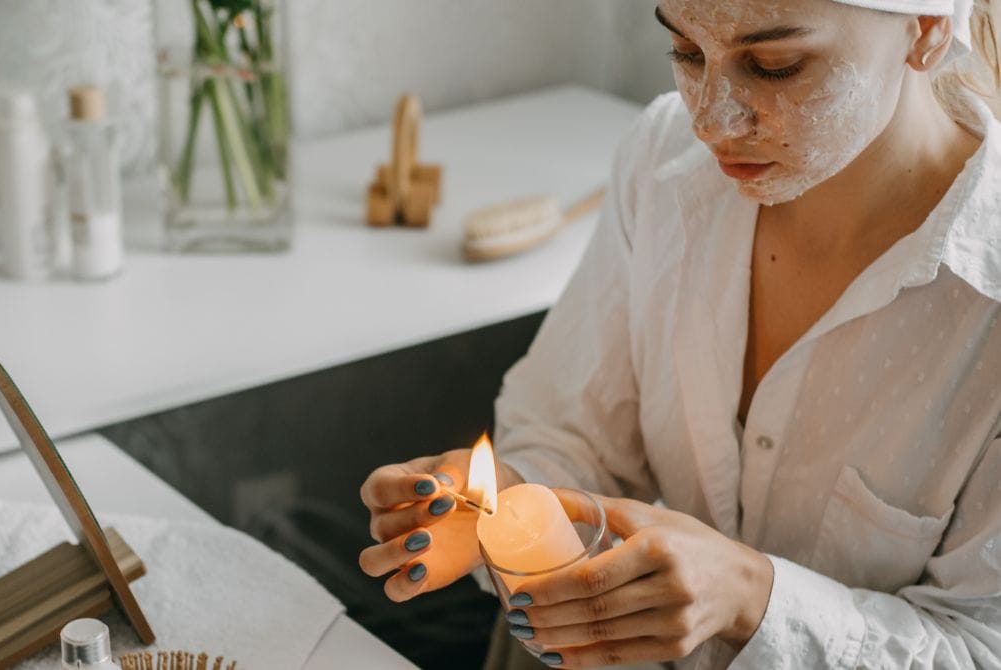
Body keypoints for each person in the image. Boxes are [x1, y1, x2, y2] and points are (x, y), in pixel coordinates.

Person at [357, 0, 1001, 668]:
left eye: (773, 65)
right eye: (687, 52)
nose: (709, 119)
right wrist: (504, 501)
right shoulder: (666, 160)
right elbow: (576, 439)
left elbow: (981, 647)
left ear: (925, 33)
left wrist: (751, 598)